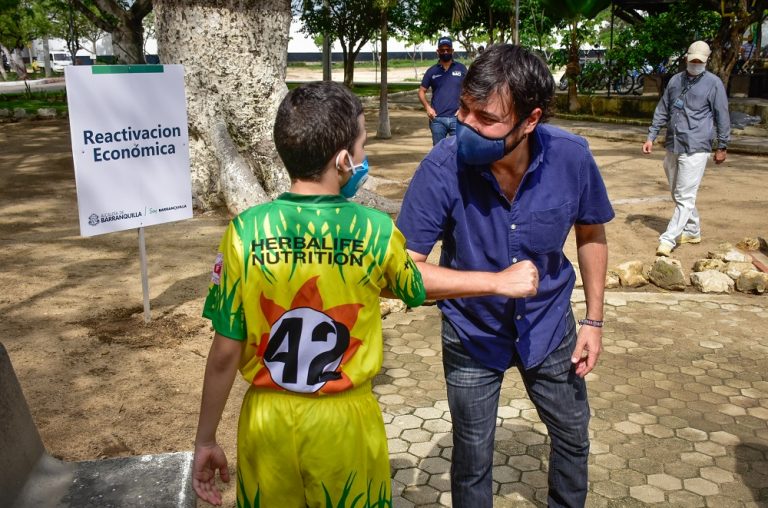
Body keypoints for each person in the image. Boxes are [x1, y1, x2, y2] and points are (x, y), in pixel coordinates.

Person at [398, 44, 614, 508]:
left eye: (486, 118)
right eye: (465, 109)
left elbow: (591, 233)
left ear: (530, 120)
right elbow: (401, 274)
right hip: (472, 333)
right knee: (473, 459)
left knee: (573, 435)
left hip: (550, 326)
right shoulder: (441, 167)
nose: (466, 124)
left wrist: (594, 322)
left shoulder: (571, 158)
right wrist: (494, 282)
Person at [192, 81, 426, 507]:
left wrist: (206, 439)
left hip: (267, 419)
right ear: (342, 160)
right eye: (361, 146)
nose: (362, 157)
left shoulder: (244, 232)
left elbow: (225, 351)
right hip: (344, 422)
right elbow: (416, 288)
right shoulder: (376, 230)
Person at [642, 40, 730, 257]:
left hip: (697, 146)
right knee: (677, 191)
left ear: (706, 61)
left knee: (685, 195)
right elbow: (663, 108)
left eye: (700, 61)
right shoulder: (675, 80)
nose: (696, 64)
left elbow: (722, 115)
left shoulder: (714, 84)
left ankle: (668, 239)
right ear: (686, 59)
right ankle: (693, 230)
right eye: (693, 61)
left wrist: (722, 145)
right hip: (673, 143)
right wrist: (651, 136)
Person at [418, 36, 467, 145]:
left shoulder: (461, 69)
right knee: (438, 151)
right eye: (442, 50)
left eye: (448, 49)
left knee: (457, 150)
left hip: (457, 118)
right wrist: (428, 108)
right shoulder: (432, 71)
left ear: (452, 51)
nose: (445, 52)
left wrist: (464, 108)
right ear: (437, 51)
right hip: (437, 120)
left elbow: (470, 90)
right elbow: (421, 91)